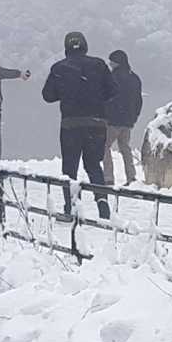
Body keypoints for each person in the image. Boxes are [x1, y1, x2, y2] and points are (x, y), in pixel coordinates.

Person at [40, 30, 113, 220]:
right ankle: (102, 204)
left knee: (69, 168)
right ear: (85, 46)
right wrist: (95, 96)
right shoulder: (99, 65)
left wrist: (66, 93)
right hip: (97, 123)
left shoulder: (59, 68)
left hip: (70, 124)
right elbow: (112, 90)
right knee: (94, 166)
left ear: (66, 48)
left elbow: (47, 96)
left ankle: (71, 208)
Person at [104, 47, 143, 184]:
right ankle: (131, 176)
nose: (109, 64)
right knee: (125, 147)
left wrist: (104, 115)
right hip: (128, 121)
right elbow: (139, 100)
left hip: (112, 120)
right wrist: (134, 117)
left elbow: (106, 98)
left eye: (111, 62)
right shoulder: (135, 78)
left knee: (105, 146)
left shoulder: (111, 78)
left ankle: (108, 178)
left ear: (117, 63)